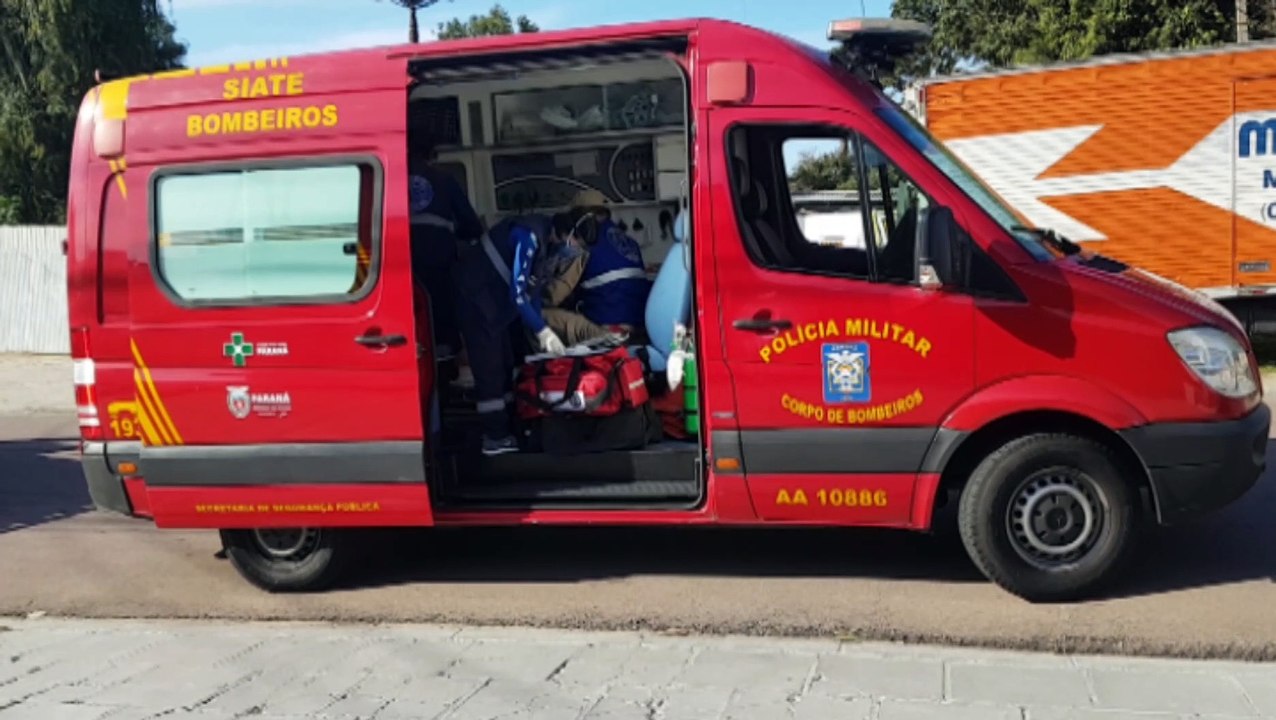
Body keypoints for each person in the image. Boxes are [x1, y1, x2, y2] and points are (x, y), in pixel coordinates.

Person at [453, 212, 568, 456]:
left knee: (507, 365)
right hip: (476, 301)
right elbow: (518, 294)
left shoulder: (546, 244)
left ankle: (510, 428)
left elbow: (532, 292)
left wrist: (539, 328)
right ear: (566, 235)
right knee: (490, 369)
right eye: (575, 242)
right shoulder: (527, 237)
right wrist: (542, 330)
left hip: (493, 305)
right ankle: (494, 438)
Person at [539, 191, 651, 344]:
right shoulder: (630, 242)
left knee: (537, 316)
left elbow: (555, 295)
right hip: (639, 327)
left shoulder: (585, 241)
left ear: (580, 217)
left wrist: (532, 297)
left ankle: (531, 365)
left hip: (607, 330)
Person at [408, 142, 483, 362]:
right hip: (439, 260)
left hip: (402, 263)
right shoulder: (444, 179)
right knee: (443, 315)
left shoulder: (389, 179)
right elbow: (472, 227)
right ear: (432, 156)